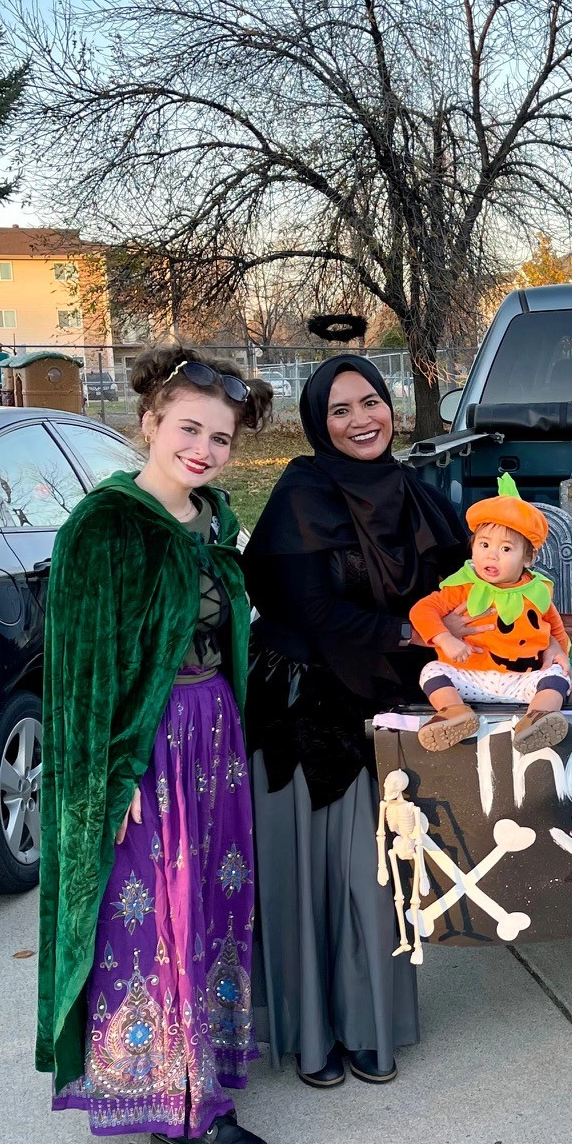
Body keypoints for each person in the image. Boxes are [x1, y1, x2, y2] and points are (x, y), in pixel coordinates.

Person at [38, 346, 275, 1144]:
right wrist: (111, 776)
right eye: (187, 428)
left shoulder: (213, 520)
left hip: (216, 735)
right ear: (147, 423)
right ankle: (180, 1105)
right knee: (160, 915)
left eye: (221, 436)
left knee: (209, 907)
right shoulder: (104, 527)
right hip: (149, 750)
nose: (204, 448)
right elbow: (77, 673)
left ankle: (205, 1064)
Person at [244, 355, 467, 1090]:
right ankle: (312, 1038)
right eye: (340, 410)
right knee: (312, 879)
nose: (361, 419)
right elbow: (306, 610)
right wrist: (408, 628)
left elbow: (465, 591)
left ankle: (372, 1026)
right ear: (317, 423)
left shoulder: (421, 498)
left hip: (391, 710)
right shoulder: (299, 497)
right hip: (307, 712)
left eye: (370, 401)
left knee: (379, 878)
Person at [408, 472, 572, 753]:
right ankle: (454, 712)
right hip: (470, 675)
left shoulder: (537, 590)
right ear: (473, 546)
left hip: (524, 678)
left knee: (557, 677)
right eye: (484, 545)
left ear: (528, 558)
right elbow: (422, 611)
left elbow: (554, 626)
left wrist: (561, 655)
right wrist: (444, 639)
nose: (491, 555)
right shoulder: (461, 586)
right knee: (432, 671)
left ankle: (537, 719)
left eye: (506, 548)